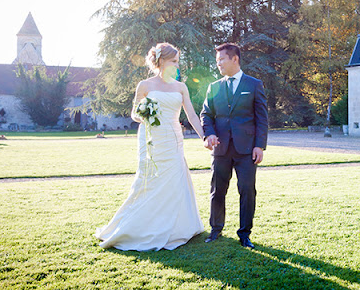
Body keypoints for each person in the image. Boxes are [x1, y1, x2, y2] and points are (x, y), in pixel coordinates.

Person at [95, 43, 205, 251]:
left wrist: (204, 137)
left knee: (173, 180)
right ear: (161, 61)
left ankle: (176, 227)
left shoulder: (180, 87)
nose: (176, 65)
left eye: (177, 62)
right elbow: (134, 114)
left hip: (173, 140)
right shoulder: (144, 85)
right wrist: (146, 111)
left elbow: (191, 115)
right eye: (174, 61)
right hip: (151, 139)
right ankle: (138, 226)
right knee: (149, 181)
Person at [201, 43, 268, 250]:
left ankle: (245, 234)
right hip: (220, 149)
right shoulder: (214, 87)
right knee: (217, 190)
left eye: (221, 60)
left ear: (235, 59)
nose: (218, 64)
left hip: (246, 150)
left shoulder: (254, 84)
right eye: (217, 61)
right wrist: (209, 133)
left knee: (247, 191)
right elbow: (206, 115)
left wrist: (259, 146)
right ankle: (216, 229)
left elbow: (262, 119)